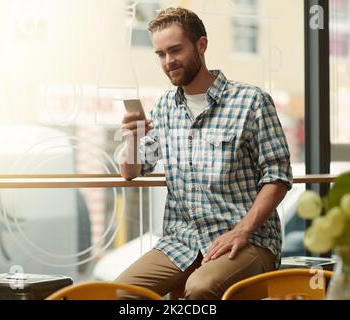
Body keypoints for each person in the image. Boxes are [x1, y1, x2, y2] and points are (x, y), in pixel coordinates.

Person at [116, 7, 292, 300]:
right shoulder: (164, 107)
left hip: (248, 242)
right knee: (118, 294)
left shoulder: (251, 101)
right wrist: (133, 139)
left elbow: (278, 177)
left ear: (201, 45)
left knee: (200, 288)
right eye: (160, 54)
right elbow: (130, 171)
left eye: (175, 50)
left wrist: (241, 231)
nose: (168, 61)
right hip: (182, 241)